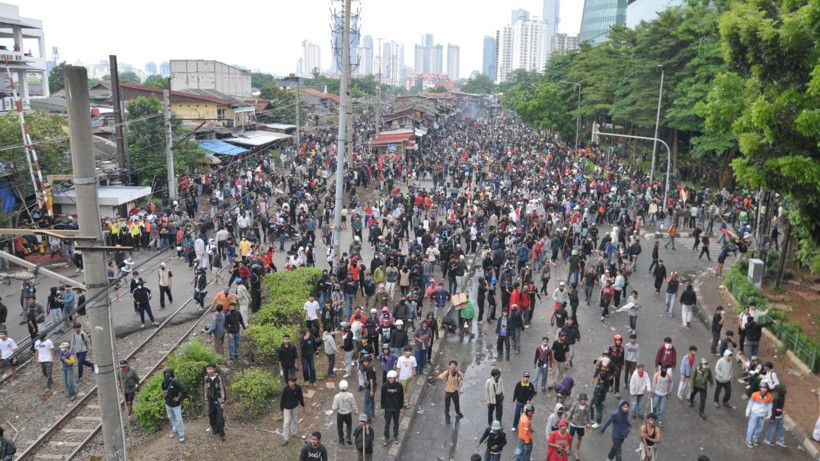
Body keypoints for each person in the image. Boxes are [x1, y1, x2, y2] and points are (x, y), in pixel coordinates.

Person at [162, 368, 188, 442]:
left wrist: (179, 398)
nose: (167, 375)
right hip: (168, 404)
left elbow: (185, 392)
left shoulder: (175, 383)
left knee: (179, 419)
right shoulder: (163, 382)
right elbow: (163, 391)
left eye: (168, 374)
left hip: (176, 405)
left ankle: (181, 434)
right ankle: (175, 429)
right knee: (170, 417)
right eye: (165, 373)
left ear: (172, 374)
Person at [381, 369, 404, 445]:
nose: (391, 379)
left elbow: (401, 397)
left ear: (395, 378)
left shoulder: (399, 386)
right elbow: (382, 397)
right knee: (387, 424)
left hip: (396, 408)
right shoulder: (384, 386)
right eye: (389, 378)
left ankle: (396, 436)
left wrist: (401, 407)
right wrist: (382, 408)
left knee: (396, 423)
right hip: (387, 408)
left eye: (392, 378)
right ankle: (386, 438)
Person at [279, 376, 305, 446]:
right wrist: (281, 409)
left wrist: (302, 405)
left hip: (295, 407)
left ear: (295, 382)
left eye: (292, 382)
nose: (291, 383)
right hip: (287, 408)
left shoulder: (298, 388)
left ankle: (293, 433)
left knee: (295, 420)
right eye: (289, 381)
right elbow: (282, 399)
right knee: (286, 423)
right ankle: (286, 439)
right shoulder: (286, 389)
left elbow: (301, 397)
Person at [204, 363, 226, 440]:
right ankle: (215, 429)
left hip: (218, 399)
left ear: (214, 369)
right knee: (211, 415)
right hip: (210, 399)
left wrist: (222, 402)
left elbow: (222, 389)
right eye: (208, 369)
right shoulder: (207, 378)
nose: (209, 370)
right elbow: (206, 390)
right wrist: (206, 399)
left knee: (220, 416)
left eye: (210, 369)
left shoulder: (219, 378)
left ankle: (221, 433)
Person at [332, 379, 358, 445]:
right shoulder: (350, 395)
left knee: (339, 427)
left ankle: (341, 440)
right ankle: (348, 437)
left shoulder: (337, 396)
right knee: (349, 425)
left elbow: (334, 408)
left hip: (340, 414)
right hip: (348, 413)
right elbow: (353, 404)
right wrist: (355, 411)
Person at [438, 360, 464, 424]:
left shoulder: (458, 373)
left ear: (456, 366)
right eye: (451, 365)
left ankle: (458, 412)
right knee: (447, 405)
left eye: (454, 365)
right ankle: (447, 417)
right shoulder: (446, 373)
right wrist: (445, 383)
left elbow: (462, 376)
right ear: (449, 366)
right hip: (448, 391)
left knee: (457, 403)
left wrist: (458, 381)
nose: (453, 366)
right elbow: (439, 377)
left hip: (455, 391)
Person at [565, 393, 591, 459]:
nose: (584, 401)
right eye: (582, 400)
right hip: (573, 423)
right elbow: (571, 412)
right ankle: (569, 447)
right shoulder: (575, 404)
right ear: (580, 400)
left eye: (585, 400)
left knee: (580, 438)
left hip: (582, 425)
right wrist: (566, 421)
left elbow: (588, 415)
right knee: (571, 436)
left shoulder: (587, 406)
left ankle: (576, 451)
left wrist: (588, 424)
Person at [362, 356, 377, 421]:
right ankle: (372, 413)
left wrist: (371, 390)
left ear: (369, 362)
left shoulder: (369, 370)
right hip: (374, 386)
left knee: (367, 402)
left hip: (370, 387)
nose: (364, 363)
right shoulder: (372, 367)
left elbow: (371, 380)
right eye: (364, 362)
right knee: (372, 400)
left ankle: (368, 418)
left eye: (366, 362)